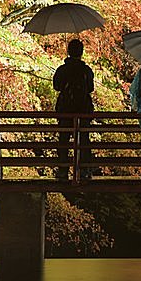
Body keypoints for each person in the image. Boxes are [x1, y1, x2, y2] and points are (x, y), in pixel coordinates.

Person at [53, 39, 95, 180]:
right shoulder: (86, 71)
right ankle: (83, 170)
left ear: (68, 51)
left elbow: (57, 86)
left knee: (64, 139)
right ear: (81, 53)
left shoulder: (62, 70)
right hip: (83, 110)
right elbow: (90, 88)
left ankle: (63, 169)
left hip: (65, 110)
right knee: (83, 139)